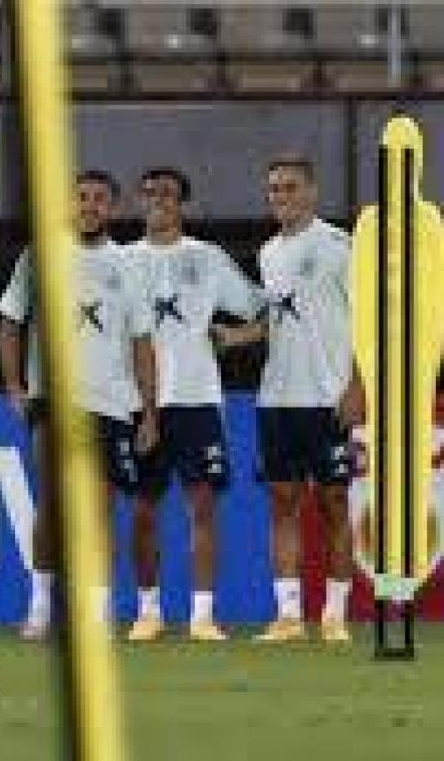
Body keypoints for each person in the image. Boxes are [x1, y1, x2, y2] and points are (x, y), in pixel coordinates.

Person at [0, 170, 158, 640]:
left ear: (113, 207)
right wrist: (13, 387)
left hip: (110, 406)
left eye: (99, 199)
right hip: (53, 401)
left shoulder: (128, 265)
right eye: (81, 197)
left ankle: (94, 612)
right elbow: (9, 321)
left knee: (100, 512)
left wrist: (149, 411)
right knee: (51, 506)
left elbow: (143, 342)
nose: (89, 206)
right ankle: (41, 608)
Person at [213, 155, 362, 643]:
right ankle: (289, 615)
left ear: (313, 192)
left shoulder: (342, 247)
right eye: (274, 189)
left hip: (329, 394)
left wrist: (358, 385)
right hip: (277, 397)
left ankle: (336, 614)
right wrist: (238, 338)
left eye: (290, 187)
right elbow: (278, 318)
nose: (281, 196)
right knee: (282, 503)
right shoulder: (269, 252)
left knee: (336, 503)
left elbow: (369, 322)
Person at [123, 168, 259, 642]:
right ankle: (148, 611)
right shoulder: (122, 261)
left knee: (201, 506)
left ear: (183, 204)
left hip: (197, 399)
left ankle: (202, 614)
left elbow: (262, 308)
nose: (160, 200)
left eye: (169, 194)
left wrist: (238, 335)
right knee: (142, 509)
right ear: (138, 202)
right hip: (140, 402)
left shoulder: (207, 258)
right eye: (151, 192)